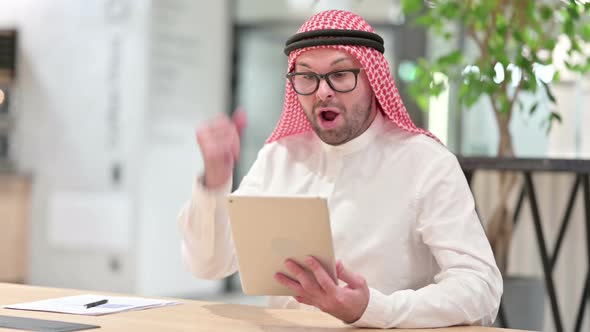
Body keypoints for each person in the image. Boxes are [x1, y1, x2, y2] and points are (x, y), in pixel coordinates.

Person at [177, 10, 502, 329]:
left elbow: (480, 288)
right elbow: (211, 264)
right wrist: (215, 182)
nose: (323, 92)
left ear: (373, 79)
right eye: (307, 76)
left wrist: (374, 309)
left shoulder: (426, 163)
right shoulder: (279, 156)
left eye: (341, 74)